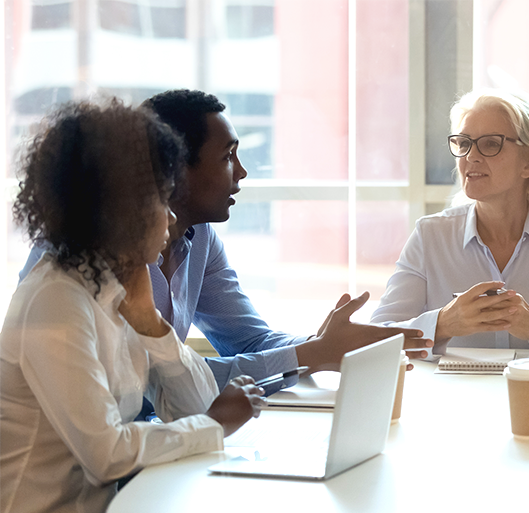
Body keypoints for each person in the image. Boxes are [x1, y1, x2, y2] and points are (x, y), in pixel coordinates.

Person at [20, 89, 431, 399]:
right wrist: (312, 354)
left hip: (152, 436)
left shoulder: (200, 239)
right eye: (228, 157)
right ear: (173, 167)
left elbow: (249, 341)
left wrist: (324, 343)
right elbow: (152, 383)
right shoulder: (86, 254)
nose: (243, 172)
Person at [0, 100, 264, 513]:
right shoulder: (56, 300)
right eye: (161, 199)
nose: (171, 217)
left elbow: (196, 405)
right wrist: (212, 426)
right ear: (118, 209)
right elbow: (107, 455)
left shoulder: (115, 287)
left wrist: (152, 326)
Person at [370, 89, 529, 361]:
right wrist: (444, 323)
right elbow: (375, 337)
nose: (470, 157)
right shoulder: (429, 236)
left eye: (489, 144)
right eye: (463, 143)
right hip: (450, 398)